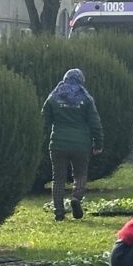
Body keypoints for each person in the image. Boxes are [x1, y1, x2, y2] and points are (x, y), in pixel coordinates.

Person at [42, 68, 104, 221]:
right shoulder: (86, 98)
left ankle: (59, 211)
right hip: (81, 144)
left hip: (58, 143)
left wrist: (41, 139)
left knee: (58, 178)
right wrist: (98, 143)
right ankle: (76, 197)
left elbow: (44, 121)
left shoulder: (53, 97)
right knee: (80, 174)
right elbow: (95, 123)